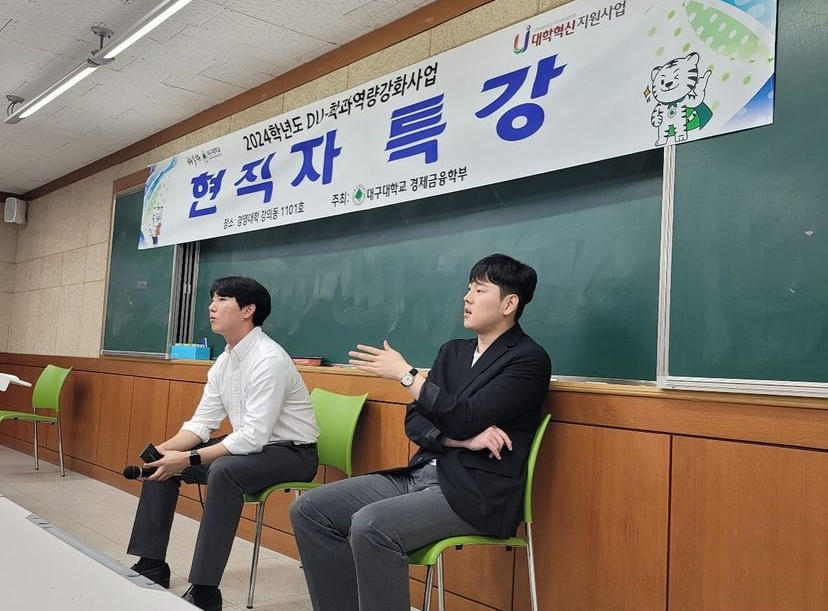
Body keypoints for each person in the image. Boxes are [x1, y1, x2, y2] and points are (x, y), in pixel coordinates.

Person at [290, 253, 551, 611]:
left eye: (479, 290)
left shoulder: (528, 359)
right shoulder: (452, 352)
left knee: (371, 526)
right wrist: (462, 439)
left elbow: (463, 416)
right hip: (420, 473)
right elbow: (416, 421)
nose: (467, 297)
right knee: (309, 509)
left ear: (509, 304)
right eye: (468, 288)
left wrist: (408, 376)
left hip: (475, 492)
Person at [127, 276, 320, 611]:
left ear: (248, 310)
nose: (212, 307)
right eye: (212, 299)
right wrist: (167, 450)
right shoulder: (225, 361)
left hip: (293, 454)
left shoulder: (269, 360)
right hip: (251, 448)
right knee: (164, 462)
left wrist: (188, 458)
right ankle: (151, 564)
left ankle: (205, 590)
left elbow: (252, 436)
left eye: (222, 300)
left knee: (223, 472)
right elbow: (202, 424)